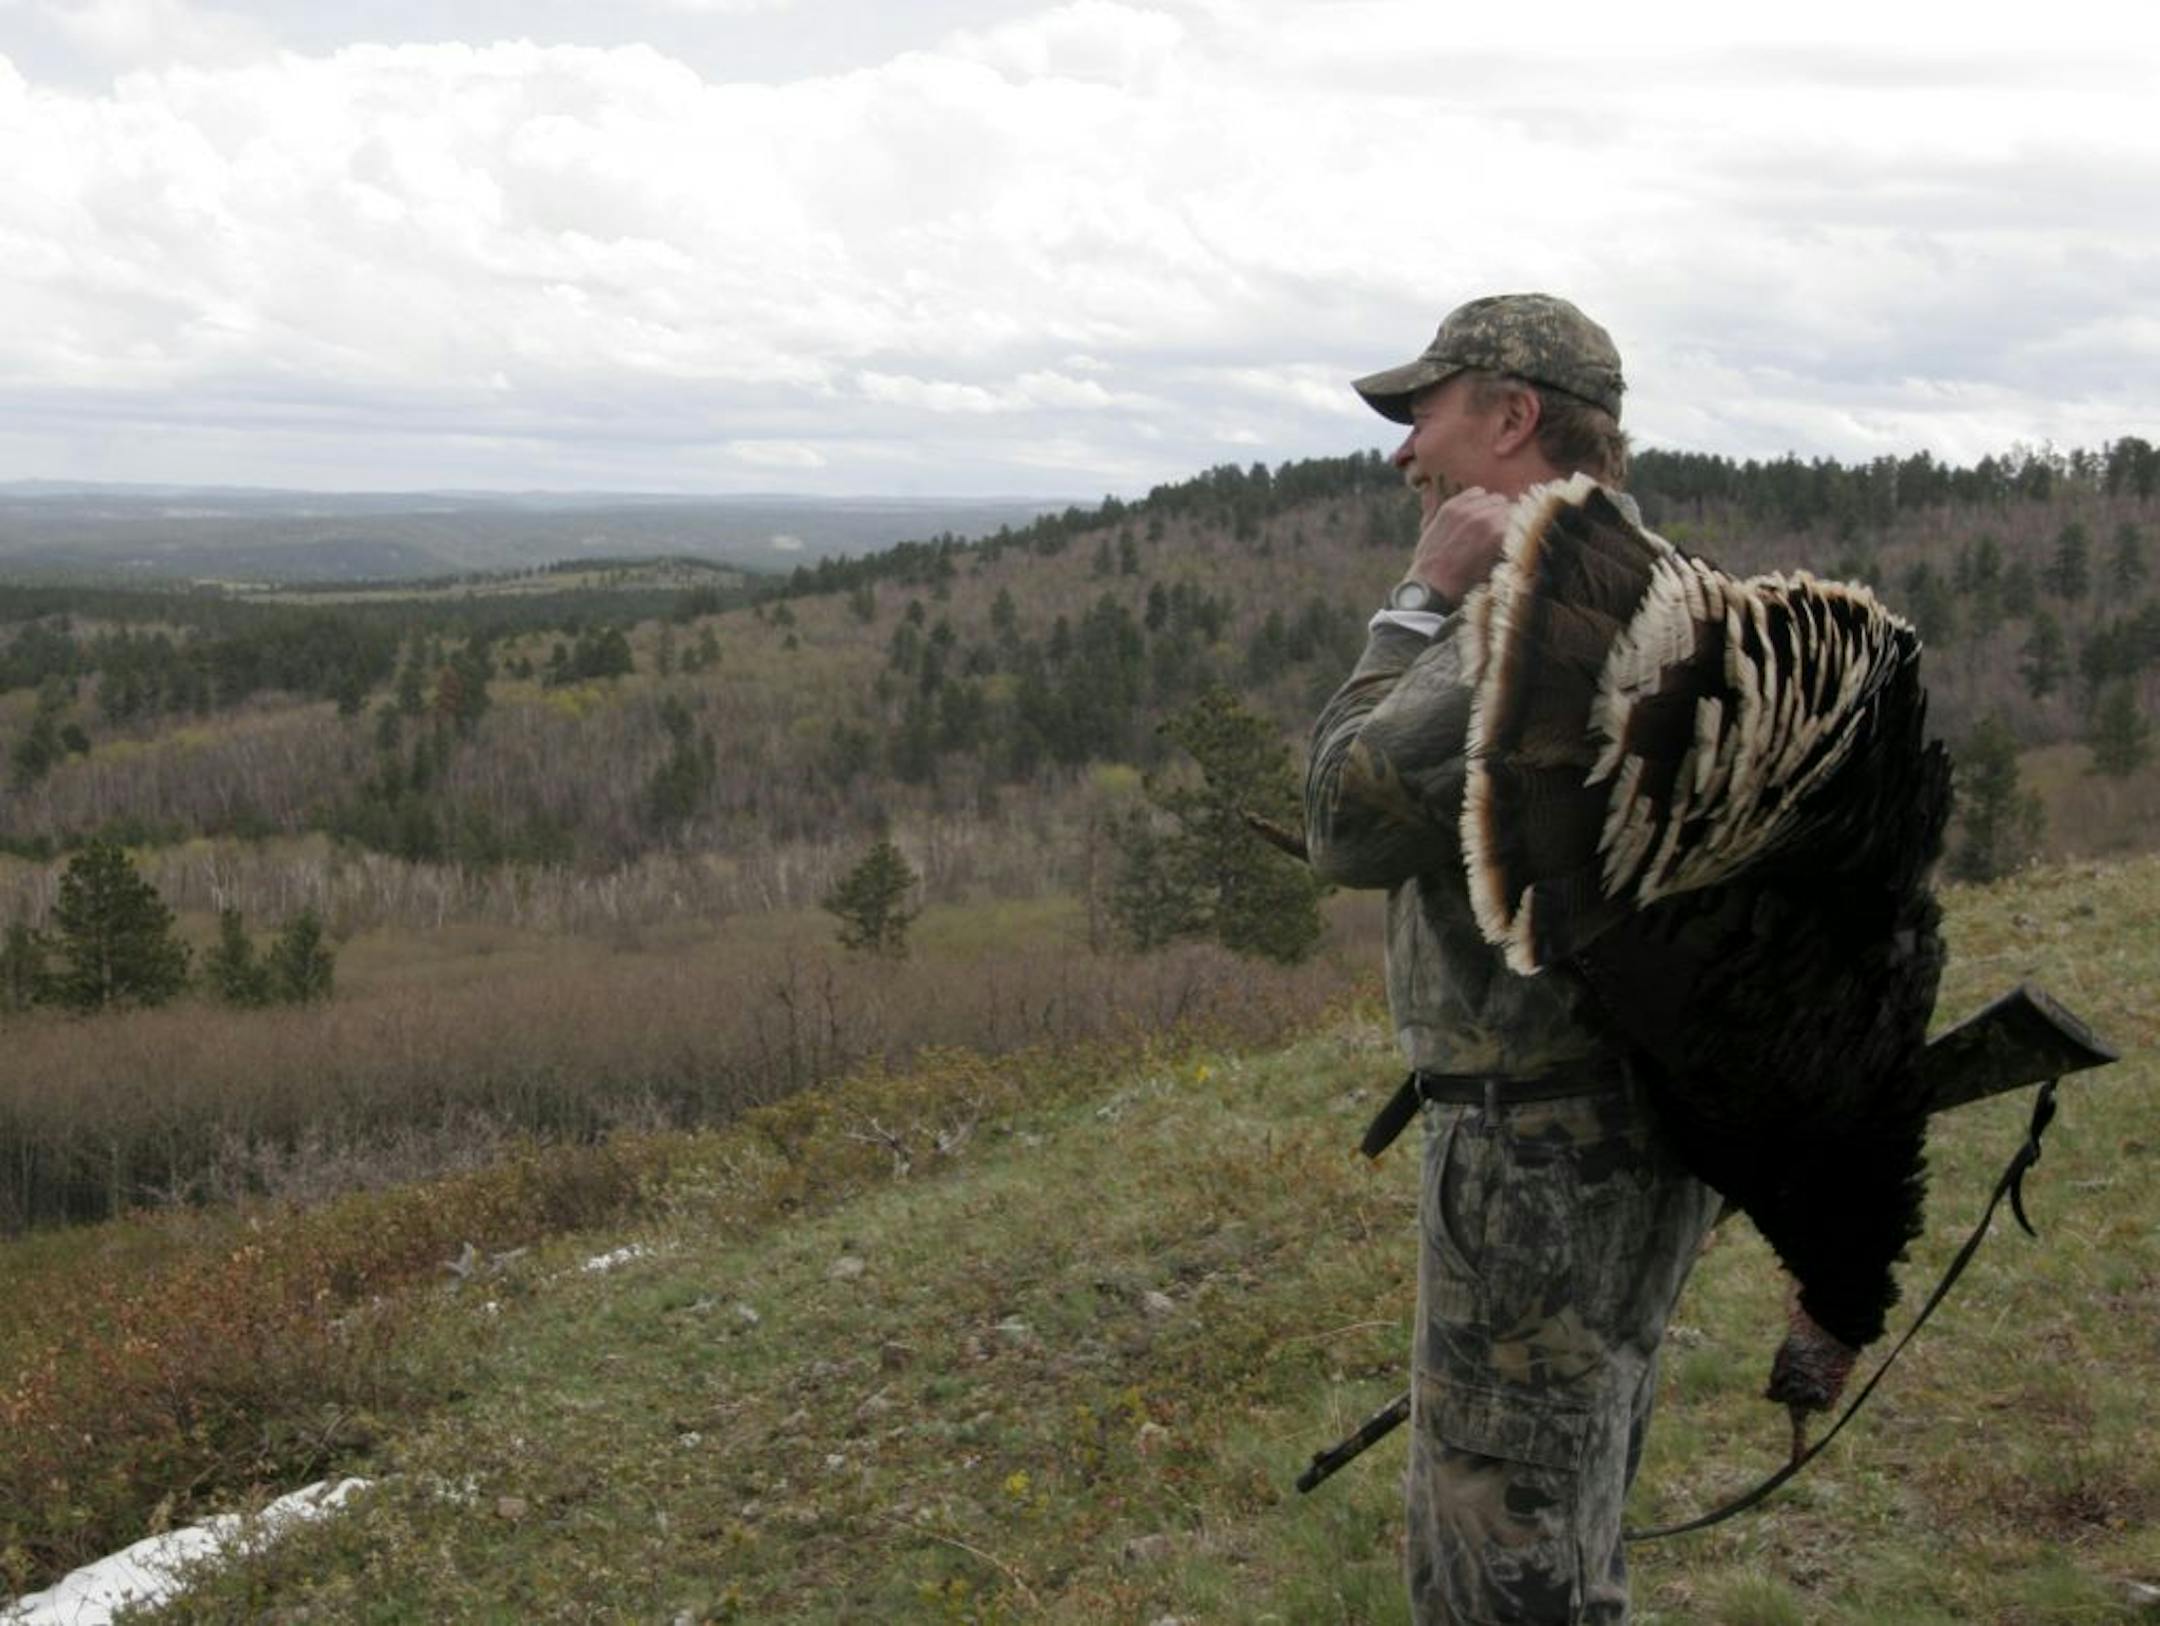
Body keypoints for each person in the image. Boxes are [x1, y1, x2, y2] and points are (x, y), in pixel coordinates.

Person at [1303, 294, 1728, 1623]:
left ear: (1513, 416)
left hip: (1532, 1158)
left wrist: (1417, 600)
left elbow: (1347, 814)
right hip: (1637, 1135)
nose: (1404, 453)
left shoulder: (1523, 616)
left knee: (1503, 1564)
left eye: (1424, 413)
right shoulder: (1672, 585)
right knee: (1569, 1521)